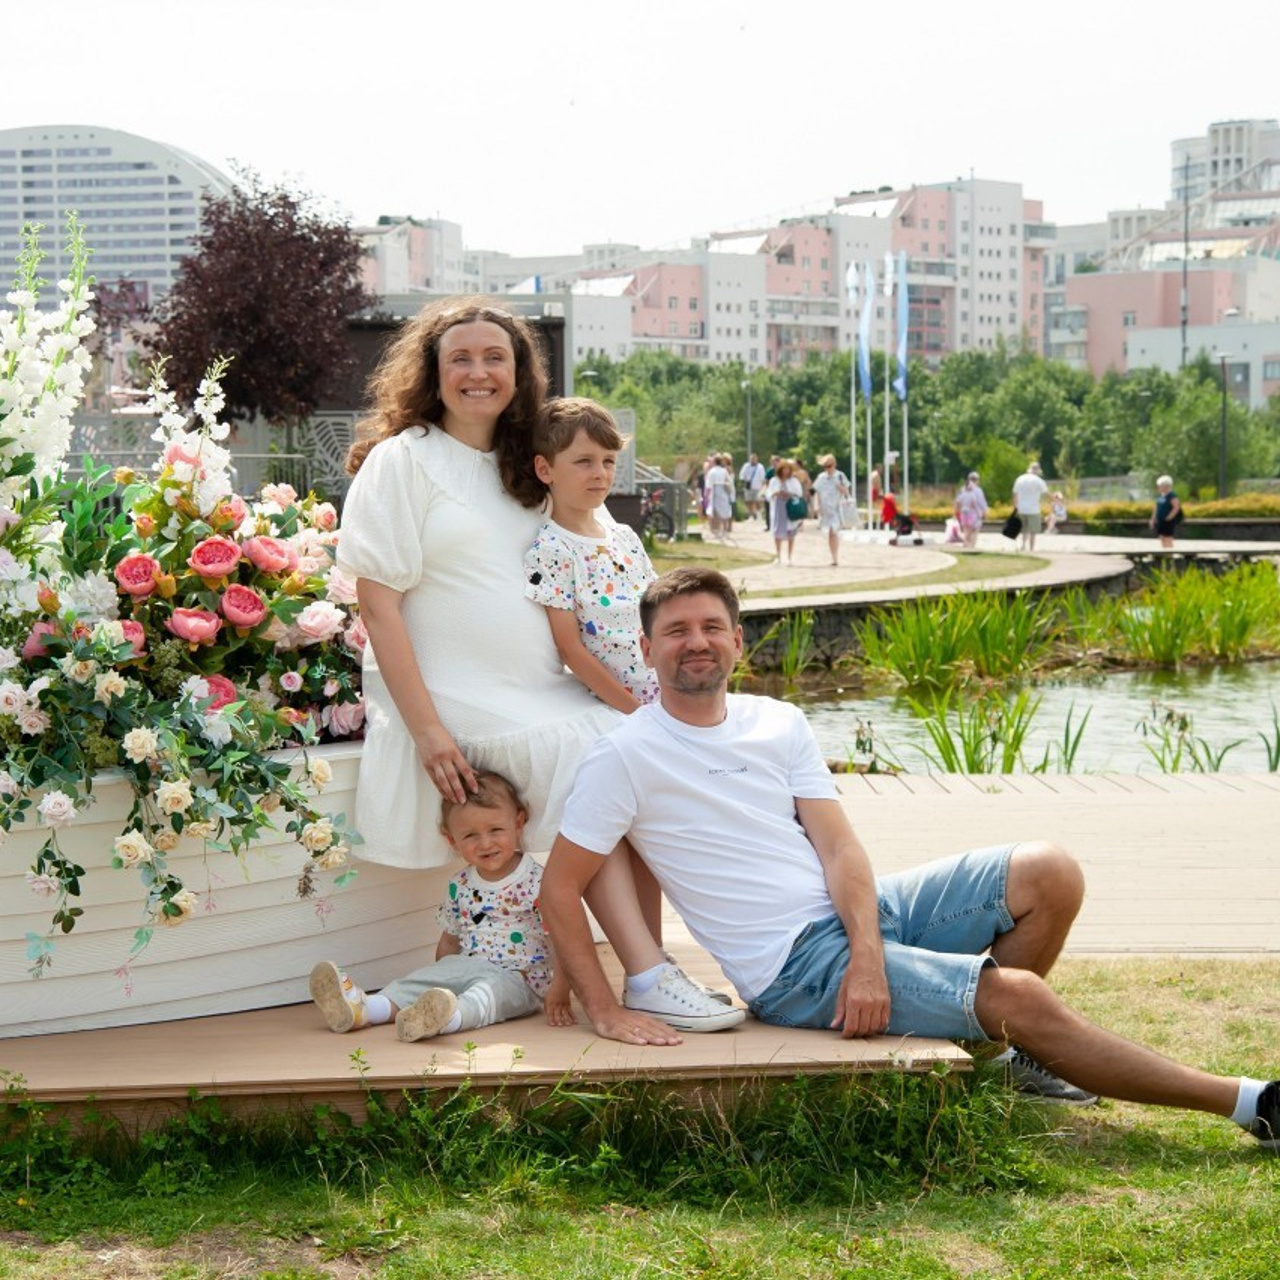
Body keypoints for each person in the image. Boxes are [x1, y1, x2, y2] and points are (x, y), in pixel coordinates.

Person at [540, 568, 1280, 1148]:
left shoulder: (779, 721)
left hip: (855, 916)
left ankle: (1007, 1056)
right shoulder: (625, 756)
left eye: (710, 627)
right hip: (792, 969)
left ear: (737, 640)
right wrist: (603, 1008)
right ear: (646, 650)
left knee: (1048, 870)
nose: (694, 642)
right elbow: (559, 887)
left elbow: (839, 846)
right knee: (1020, 996)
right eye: (675, 631)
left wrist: (869, 952)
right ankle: (1252, 1104)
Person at [338, 298, 730, 1026]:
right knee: (583, 750)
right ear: (433, 370)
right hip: (453, 694)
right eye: (461, 357)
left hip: (546, 684)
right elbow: (379, 606)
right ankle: (644, 973)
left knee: (636, 744)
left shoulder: (534, 463)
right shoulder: (405, 461)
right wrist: (428, 733)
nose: (479, 372)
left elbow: (607, 562)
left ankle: (651, 964)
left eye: (496, 358)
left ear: (519, 373)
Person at [309, 772, 574, 1041]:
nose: (485, 843)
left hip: (519, 979)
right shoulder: (459, 884)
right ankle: (364, 1009)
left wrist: (561, 988)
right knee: (414, 983)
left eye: (496, 830)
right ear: (452, 840)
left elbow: (559, 941)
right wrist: (440, 977)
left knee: (487, 996)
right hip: (466, 965)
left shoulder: (538, 881)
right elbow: (449, 941)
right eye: (470, 835)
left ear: (519, 823)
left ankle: (446, 1018)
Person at [524, 397, 658, 713]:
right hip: (625, 705)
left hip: (673, 687)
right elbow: (570, 649)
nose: (600, 473)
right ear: (545, 469)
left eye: (609, 461)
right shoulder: (552, 552)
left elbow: (661, 610)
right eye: (584, 461)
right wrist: (636, 712)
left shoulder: (626, 537)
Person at [811, 454, 851, 566]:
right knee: (829, 533)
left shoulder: (840, 476)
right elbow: (815, 492)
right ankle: (833, 556)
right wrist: (815, 505)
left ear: (834, 465)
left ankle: (835, 557)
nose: (827, 469)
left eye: (829, 466)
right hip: (825, 509)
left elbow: (847, 492)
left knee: (834, 531)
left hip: (837, 508)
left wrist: (840, 487)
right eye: (825, 466)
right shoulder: (821, 477)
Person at [765, 460, 804, 564]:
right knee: (777, 534)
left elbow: (799, 494)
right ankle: (778, 556)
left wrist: (789, 494)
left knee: (791, 534)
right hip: (778, 508)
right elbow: (768, 493)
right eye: (784, 469)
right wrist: (775, 493)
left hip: (789, 508)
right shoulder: (774, 480)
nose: (786, 471)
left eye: (788, 469)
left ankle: (789, 557)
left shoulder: (794, 481)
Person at [1011, 461, 1049, 553]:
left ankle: (1023, 545)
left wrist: (1015, 506)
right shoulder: (1039, 481)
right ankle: (1031, 548)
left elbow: (1015, 494)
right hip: (1034, 509)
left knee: (1024, 529)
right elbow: (1046, 494)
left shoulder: (1020, 479)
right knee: (1033, 531)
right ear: (1038, 471)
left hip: (1021, 508)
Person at [954, 472, 988, 549]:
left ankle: (966, 544)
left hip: (964, 513)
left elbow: (957, 501)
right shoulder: (978, 490)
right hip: (975, 515)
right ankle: (972, 546)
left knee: (966, 531)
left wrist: (956, 512)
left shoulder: (963, 489)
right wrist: (985, 512)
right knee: (975, 530)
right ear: (977, 480)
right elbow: (982, 503)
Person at [704, 454, 734, 539]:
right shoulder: (724, 471)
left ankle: (715, 530)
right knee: (724, 511)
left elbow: (709, 485)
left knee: (714, 512)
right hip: (723, 493)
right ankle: (724, 529)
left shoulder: (712, 471)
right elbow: (729, 481)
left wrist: (706, 495)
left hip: (714, 493)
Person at [1151, 475, 1182, 549]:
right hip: (1160, 520)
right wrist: (1153, 518)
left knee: (1167, 538)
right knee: (1161, 537)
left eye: (1160, 485)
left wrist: (1169, 517)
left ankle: (1169, 556)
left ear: (1166, 486)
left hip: (1168, 521)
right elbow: (1156, 508)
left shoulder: (1172, 495)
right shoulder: (1160, 496)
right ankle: (1164, 554)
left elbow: (1176, 507)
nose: (1158, 487)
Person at [739, 453, 766, 521]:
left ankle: (759, 515)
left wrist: (762, 485)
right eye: (751, 459)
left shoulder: (760, 467)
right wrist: (744, 480)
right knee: (749, 501)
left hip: (757, 486)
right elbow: (742, 474)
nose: (752, 460)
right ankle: (750, 515)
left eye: (754, 459)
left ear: (757, 459)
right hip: (748, 486)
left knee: (757, 501)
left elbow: (762, 477)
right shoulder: (746, 466)